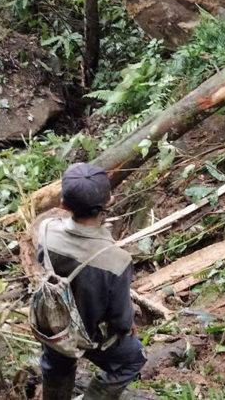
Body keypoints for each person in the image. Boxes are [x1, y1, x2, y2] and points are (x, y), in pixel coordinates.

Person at [35, 163, 146, 400]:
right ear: (109, 201)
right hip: (92, 336)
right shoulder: (117, 260)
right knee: (133, 359)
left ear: (63, 204)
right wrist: (127, 325)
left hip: (54, 325)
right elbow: (120, 318)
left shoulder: (46, 231)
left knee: (55, 364)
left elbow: (42, 263)